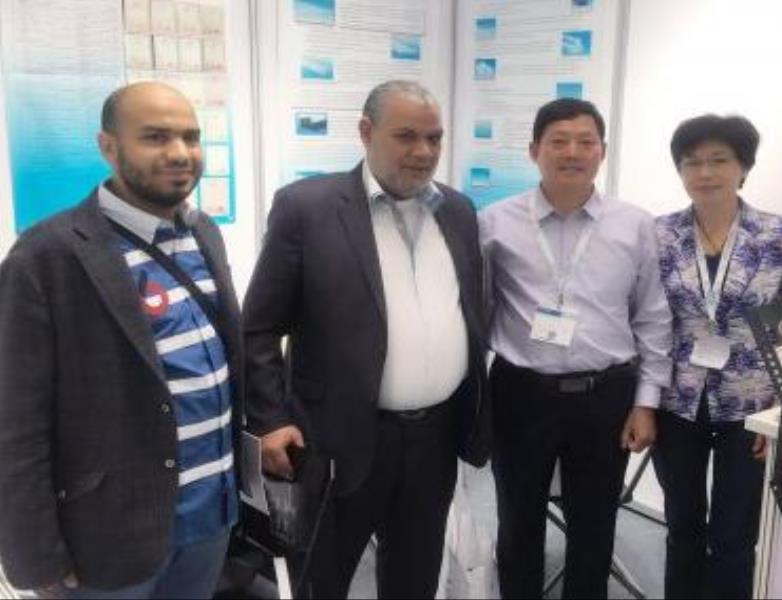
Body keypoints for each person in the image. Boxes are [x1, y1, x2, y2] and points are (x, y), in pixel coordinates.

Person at [243, 79, 490, 599]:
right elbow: (258, 328)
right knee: (323, 581)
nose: (423, 152)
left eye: (434, 138)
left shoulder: (459, 211)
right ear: (365, 131)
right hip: (337, 439)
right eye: (406, 136)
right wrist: (269, 419)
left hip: (435, 439)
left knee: (415, 578)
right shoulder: (306, 209)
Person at [0, 82, 243, 599]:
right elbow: (16, 421)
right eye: (155, 137)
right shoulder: (47, 255)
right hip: (108, 536)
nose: (180, 153)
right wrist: (33, 553)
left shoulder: (203, 232)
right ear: (108, 146)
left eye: (191, 137)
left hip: (211, 517)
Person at [479, 97, 672, 599]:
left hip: (605, 395)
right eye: (559, 141)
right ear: (534, 151)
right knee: (517, 518)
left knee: (595, 522)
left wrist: (646, 403)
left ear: (602, 152)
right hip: (520, 393)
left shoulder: (635, 225)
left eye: (586, 142)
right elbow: (477, 311)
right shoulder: (495, 223)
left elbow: (652, 317)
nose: (572, 152)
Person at [653, 114, 782, 599]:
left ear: (744, 167)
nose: (705, 172)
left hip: (752, 405)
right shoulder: (659, 235)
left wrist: (780, 413)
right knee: (682, 528)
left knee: (735, 536)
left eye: (719, 160)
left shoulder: (781, 236)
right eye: (692, 162)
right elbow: (648, 323)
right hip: (678, 401)